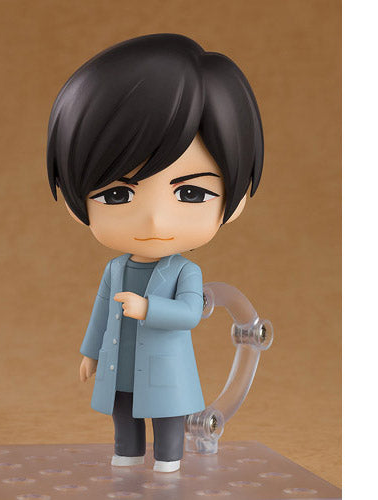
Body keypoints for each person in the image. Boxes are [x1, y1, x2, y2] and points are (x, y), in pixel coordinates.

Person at [46, 33, 264, 473]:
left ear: (235, 201)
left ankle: (168, 464)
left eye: (190, 192)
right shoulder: (116, 267)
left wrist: (148, 309)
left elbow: (190, 313)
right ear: (75, 203)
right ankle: (126, 457)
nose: (155, 221)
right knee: (123, 416)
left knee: (167, 420)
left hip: (166, 369)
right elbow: (101, 311)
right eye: (117, 194)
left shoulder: (186, 271)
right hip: (119, 364)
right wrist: (90, 352)